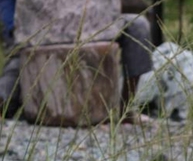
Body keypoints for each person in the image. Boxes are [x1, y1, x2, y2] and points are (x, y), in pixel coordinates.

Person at [0, 0, 153, 121]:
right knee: (14, 73)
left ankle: (125, 110)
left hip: (96, 25)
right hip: (37, 30)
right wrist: (13, 27)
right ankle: (10, 100)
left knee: (138, 26)